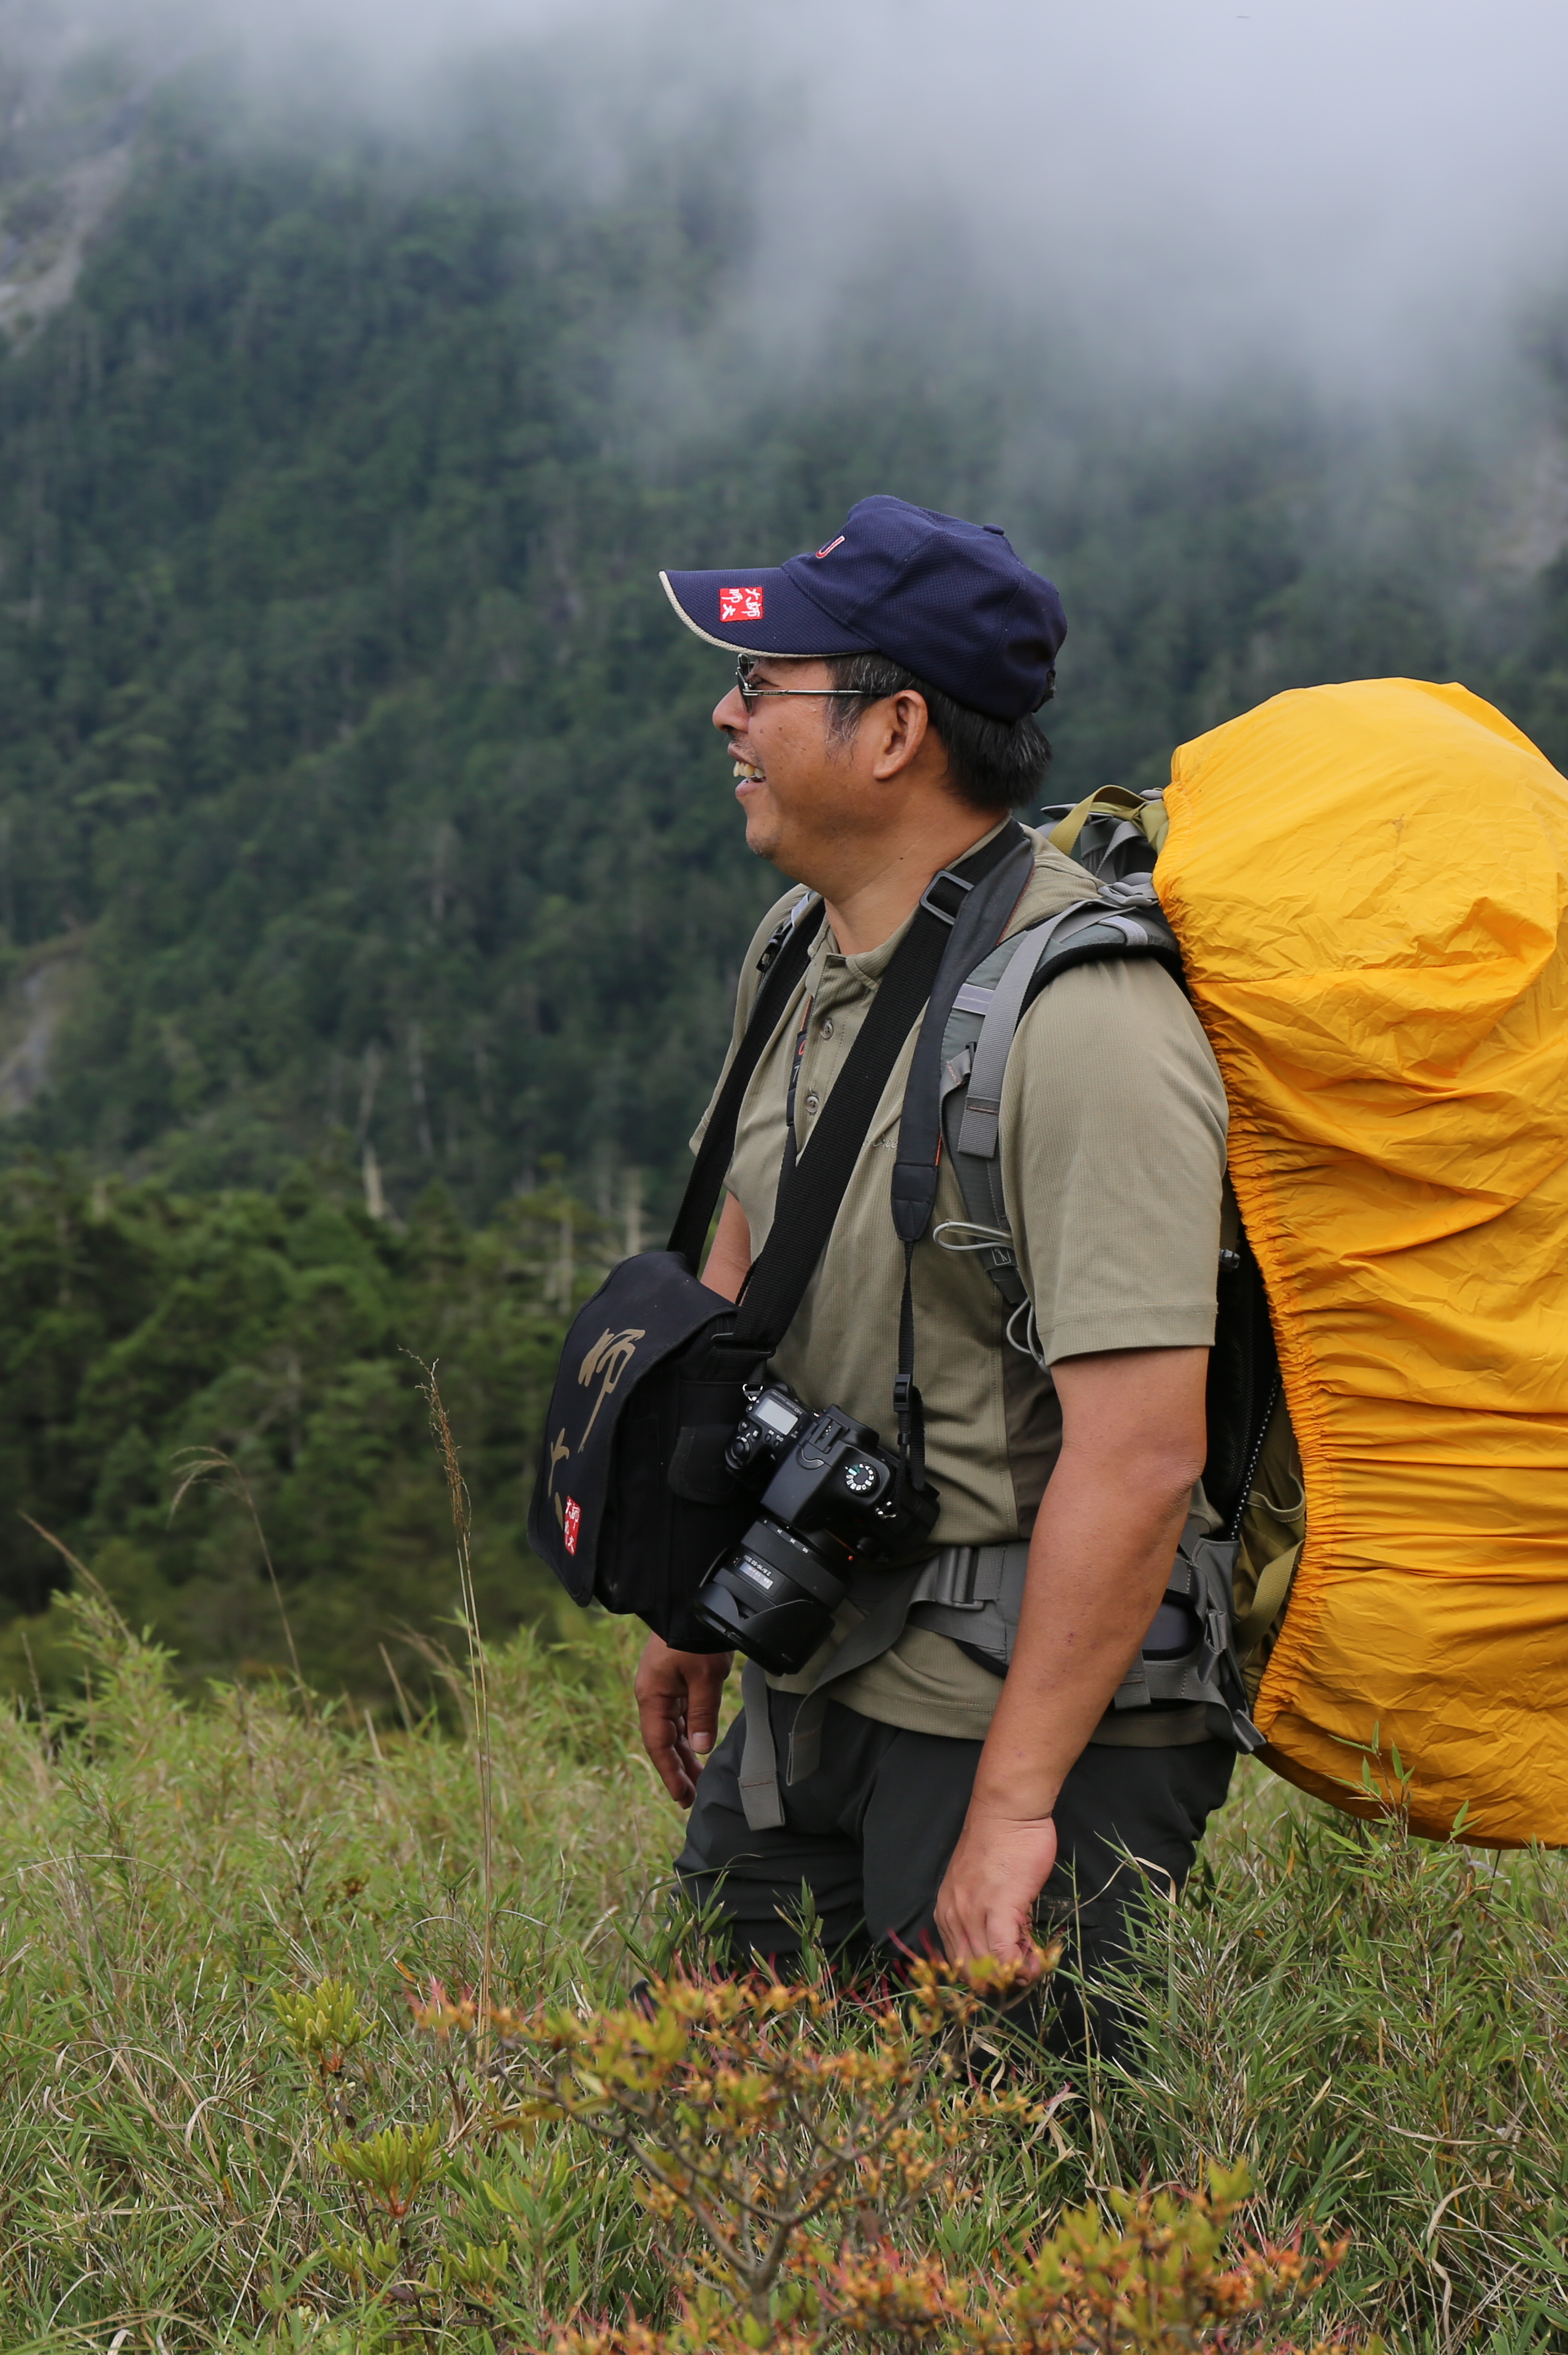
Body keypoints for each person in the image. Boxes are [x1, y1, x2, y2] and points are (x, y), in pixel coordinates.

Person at [636, 496, 1239, 2019]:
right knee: (738, 2172)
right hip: (813, 1672)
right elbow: (741, 1260)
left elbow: (1145, 1448)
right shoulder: (797, 951)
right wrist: (690, 1585)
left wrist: (1019, 1808)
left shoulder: (1085, 1020)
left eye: (764, 686)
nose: (727, 712)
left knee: (1020, 2212)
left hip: (1027, 1728)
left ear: (895, 726)